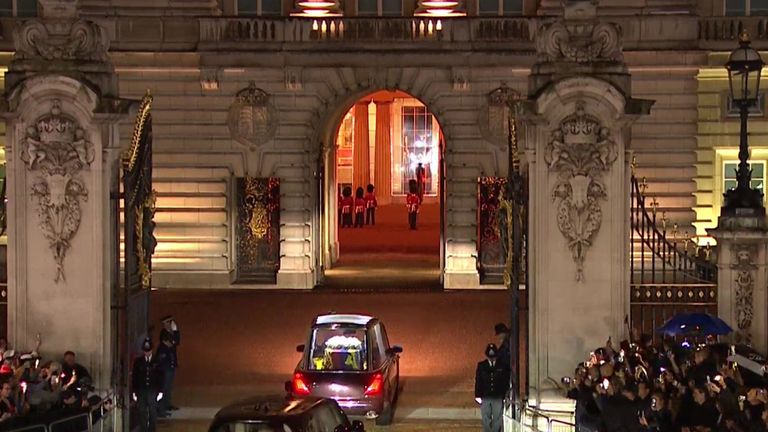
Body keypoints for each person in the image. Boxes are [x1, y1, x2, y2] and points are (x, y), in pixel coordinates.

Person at [475, 343, 509, 432]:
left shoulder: (502, 366)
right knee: (486, 419)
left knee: (497, 419)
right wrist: (477, 395)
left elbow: (505, 381)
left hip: (497, 396)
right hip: (485, 396)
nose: (491, 358)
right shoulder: (482, 365)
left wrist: (504, 395)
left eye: (493, 356)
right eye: (490, 356)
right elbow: (478, 380)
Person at [132, 338, 164, 432]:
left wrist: (161, 391)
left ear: (151, 350)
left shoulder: (157, 361)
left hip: (152, 390)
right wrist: (134, 391)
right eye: (145, 351)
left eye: (148, 351)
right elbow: (135, 377)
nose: (147, 353)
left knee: (153, 413)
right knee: (142, 413)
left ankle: (152, 430)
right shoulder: (138, 362)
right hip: (142, 391)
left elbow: (161, 377)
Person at [159, 315, 180, 412]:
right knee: (165, 386)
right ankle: (162, 406)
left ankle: (167, 404)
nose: (168, 325)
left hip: (171, 363)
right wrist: (175, 333)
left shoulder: (171, 333)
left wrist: (176, 332)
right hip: (166, 364)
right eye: (167, 323)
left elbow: (177, 342)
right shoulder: (164, 334)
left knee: (169, 386)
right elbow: (172, 344)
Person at [156, 332, 176, 417]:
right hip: (164, 373)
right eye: (169, 341)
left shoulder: (168, 348)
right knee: (162, 391)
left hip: (168, 371)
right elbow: (161, 362)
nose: (171, 343)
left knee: (167, 390)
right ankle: (160, 410)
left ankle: (165, 407)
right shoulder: (162, 349)